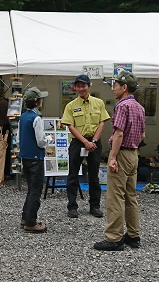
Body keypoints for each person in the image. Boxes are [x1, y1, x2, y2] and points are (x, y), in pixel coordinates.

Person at [93, 70, 145, 251]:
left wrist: (113, 157)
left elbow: (118, 133)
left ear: (124, 87)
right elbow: (143, 135)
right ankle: (133, 235)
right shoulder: (140, 107)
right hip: (134, 153)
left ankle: (114, 238)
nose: (113, 89)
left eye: (115, 85)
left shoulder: (122, 106)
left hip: (122, 153)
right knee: (131, 196)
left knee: (115, 196)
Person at [60, 74, 110, 218]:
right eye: (78, 86)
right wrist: (85, 142)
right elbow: (70, 126)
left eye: (84, 85)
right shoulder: (71, 106)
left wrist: (93, 141)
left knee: (94, 176)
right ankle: (72, 207)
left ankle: (95, 206)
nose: (81, 89)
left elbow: (102, 122)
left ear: (89, 86)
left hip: (94, 142)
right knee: (73, 175)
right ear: (75, 87)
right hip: (78, 141)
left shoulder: (98, 103)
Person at [18, 87, 49, 233]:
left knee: (31, 189)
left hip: (25, 156)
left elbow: (19, 138)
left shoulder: (23, 117)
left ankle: (26, 217)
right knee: (36, 190)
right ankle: (30, 221)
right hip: (36, 157)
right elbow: (41, 141)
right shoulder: (36, 118)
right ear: (37, 102)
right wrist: (49, 139)